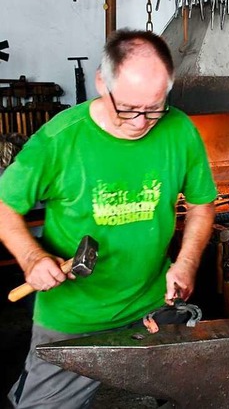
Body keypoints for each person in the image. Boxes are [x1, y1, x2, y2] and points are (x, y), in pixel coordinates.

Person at [0, 29, 217, 408]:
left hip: (151, 307)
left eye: (153, 108)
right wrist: (32, 258)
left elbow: (201, 205)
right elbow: (4, 206)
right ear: (103, 82)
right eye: (129, 108)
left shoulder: (180, 129)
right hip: (73, 320)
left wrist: (186, 263)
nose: (140, 122)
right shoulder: (60, 139)